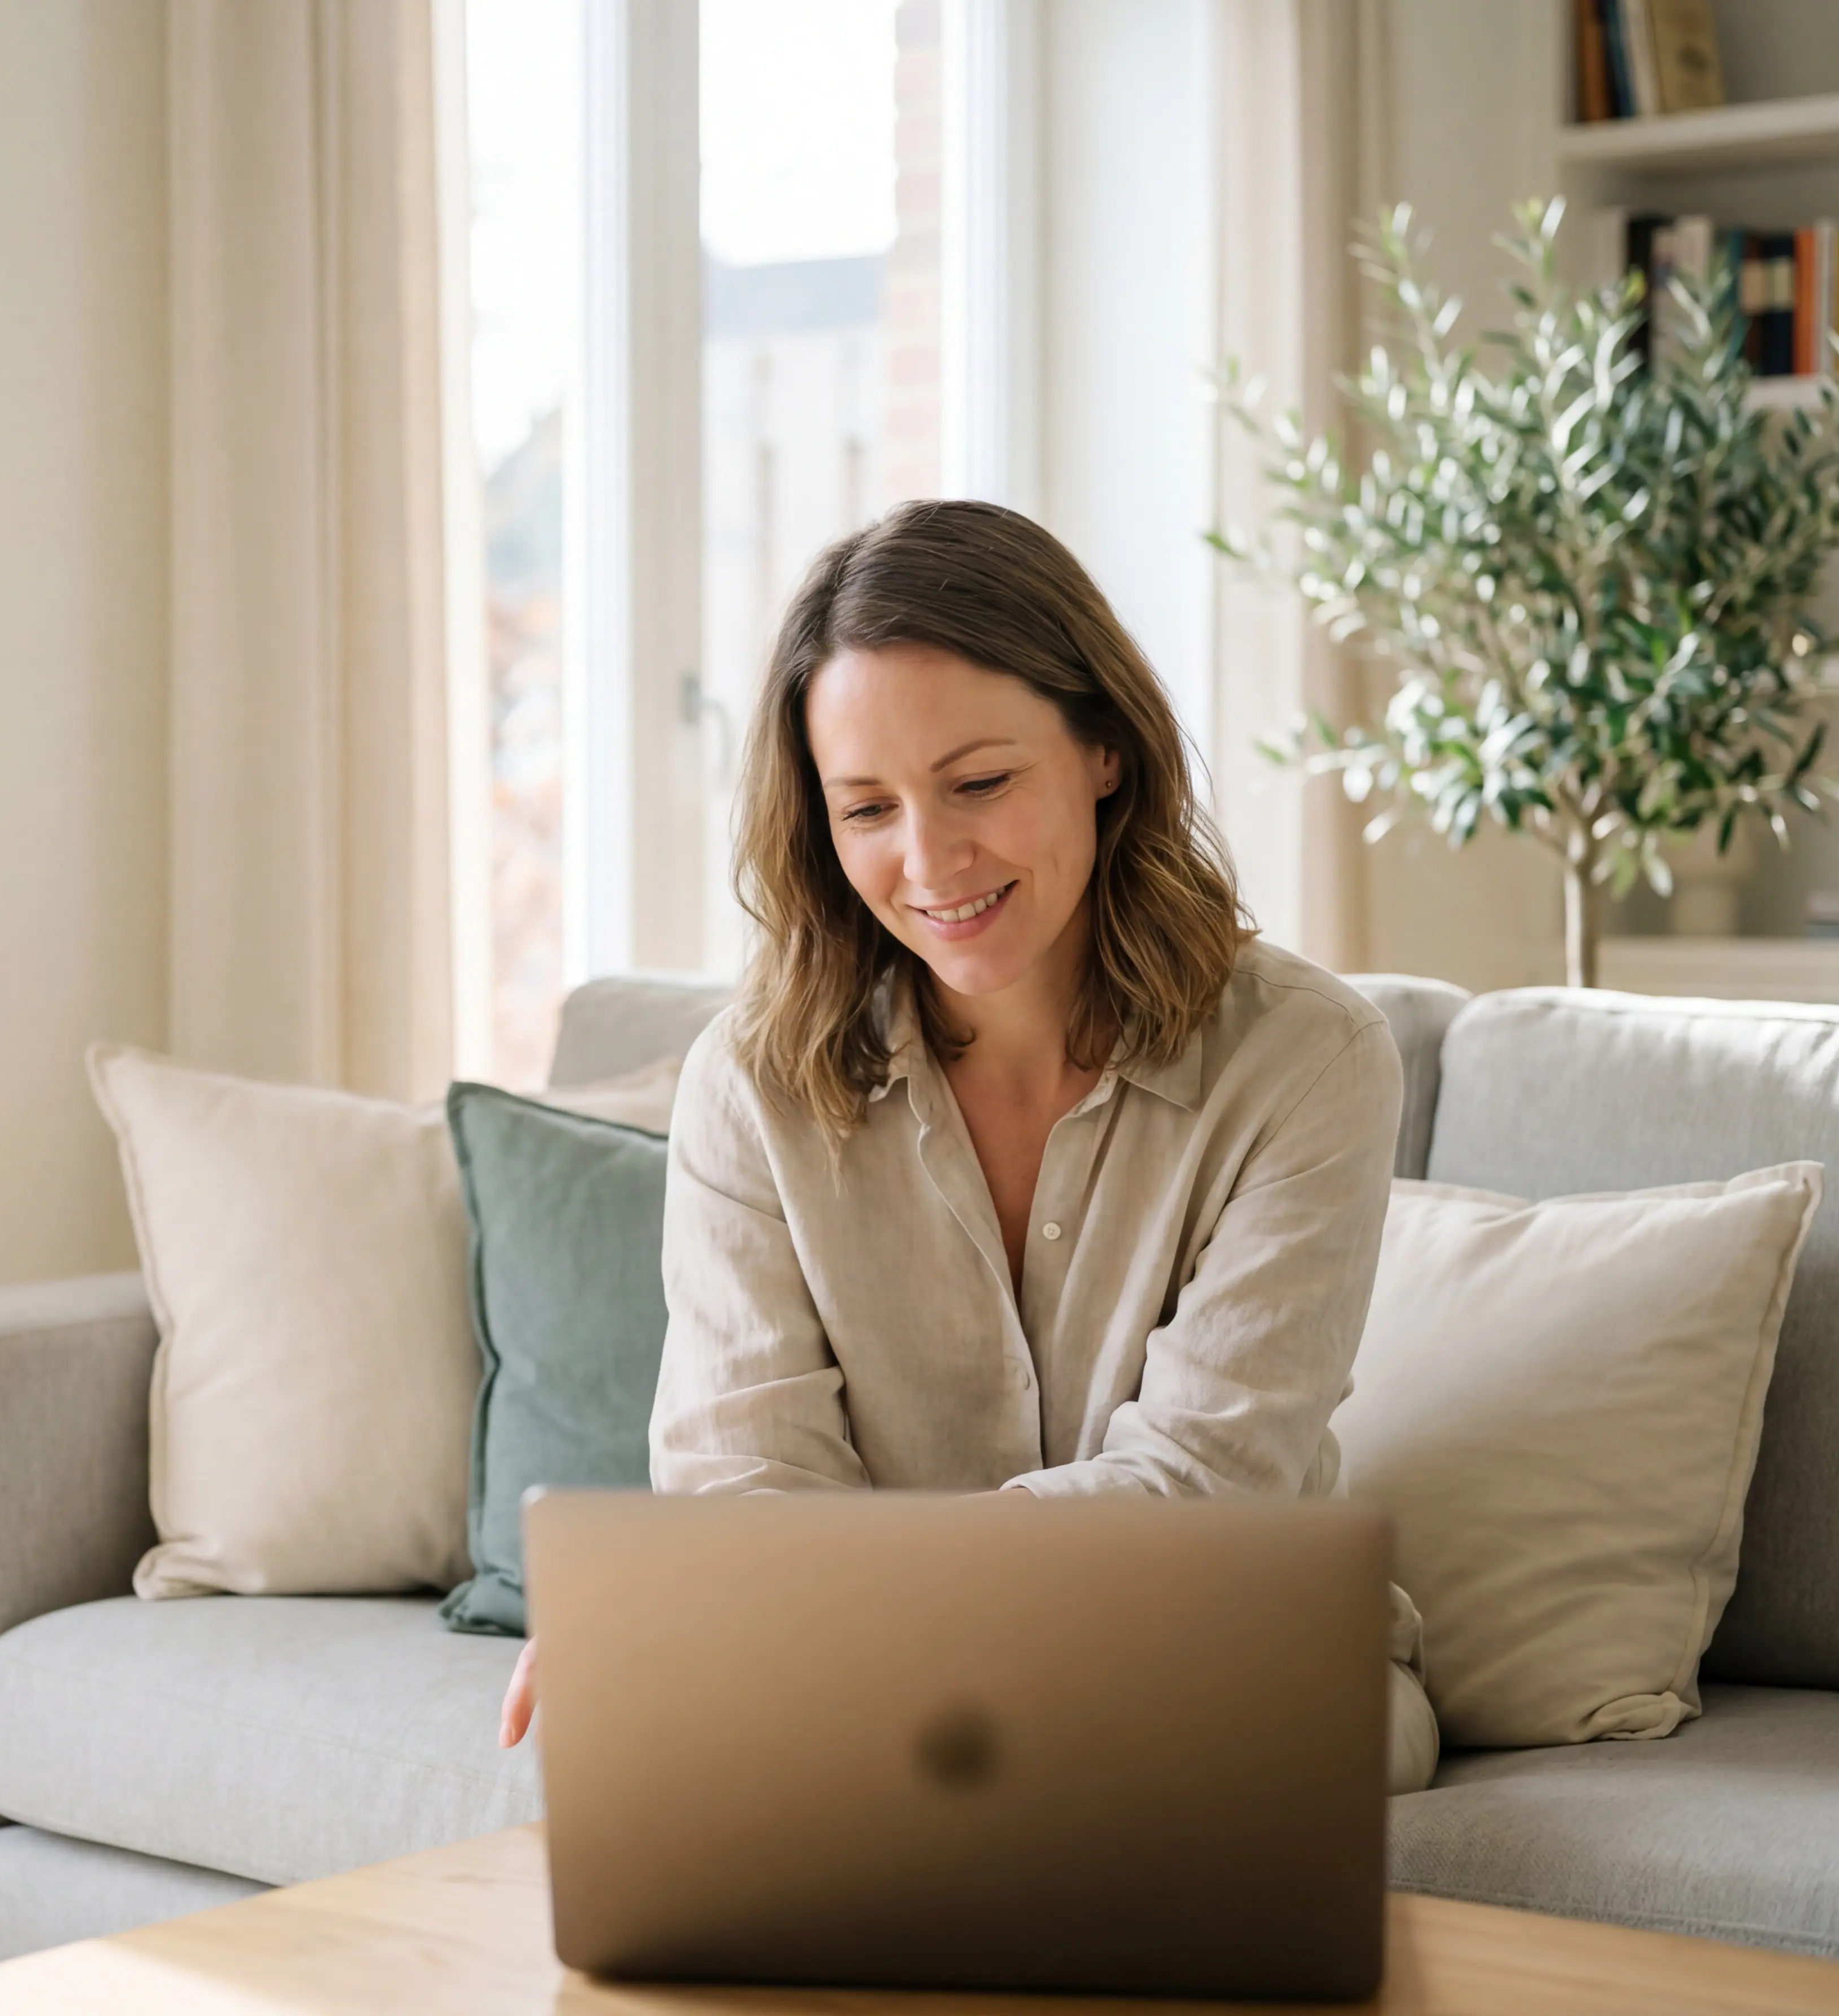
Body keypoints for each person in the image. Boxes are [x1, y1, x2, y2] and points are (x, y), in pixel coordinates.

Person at [499, 499, 1439, 1794]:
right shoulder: (751, 1082)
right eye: (866, 808)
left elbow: (1207, 1481)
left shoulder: (1309, 1058)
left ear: (1104, 748)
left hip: (1214, 1655)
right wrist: (684, 1610)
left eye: (980, 783)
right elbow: (743, 1473)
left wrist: (786, 1600)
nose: (930, 861)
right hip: (869, 1666)